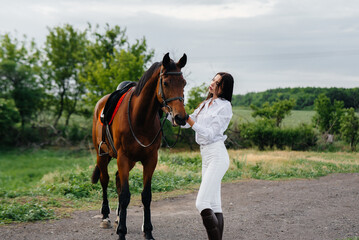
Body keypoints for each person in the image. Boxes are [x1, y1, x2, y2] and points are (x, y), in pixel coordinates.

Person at [184, 72, 234, 240]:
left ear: (223, 88)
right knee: (214, 205)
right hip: (206, 155)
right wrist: (171, 113)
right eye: (213, 79)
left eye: (217, 82)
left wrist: (190, 122)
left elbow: (210, 134)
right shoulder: (205, 104)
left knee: (201, 203)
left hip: (217, 155)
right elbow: (186, 121)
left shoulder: (224, 106)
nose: (212, 83)